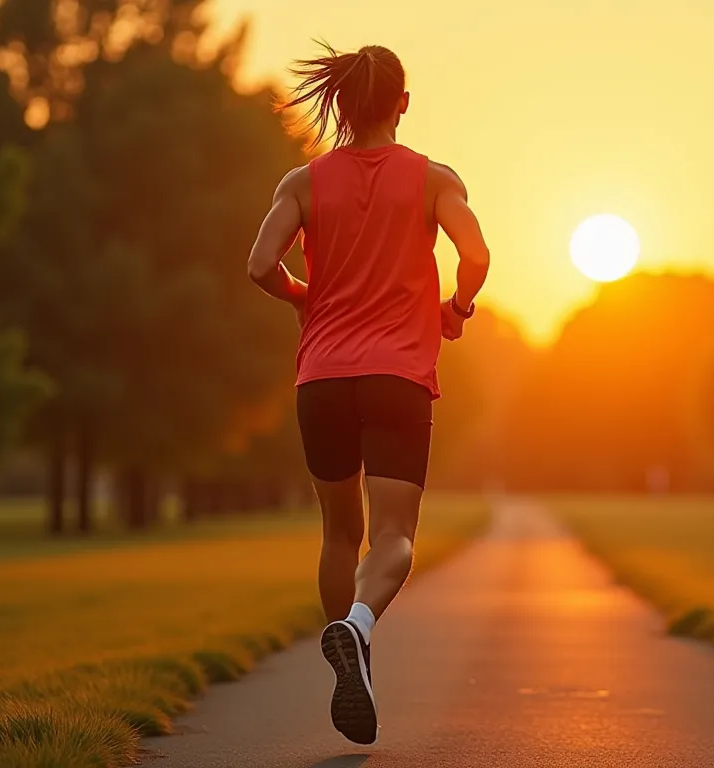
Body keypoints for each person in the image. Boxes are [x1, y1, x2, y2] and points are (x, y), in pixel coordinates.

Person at [245, 43, 490, 745]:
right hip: (397, 378)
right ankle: (357, 626)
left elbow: (260, 263)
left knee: (339, 534)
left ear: (342, 106)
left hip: (321, 379)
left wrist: (301, 298)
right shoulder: (433, 179)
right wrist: (458, 308)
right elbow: (475, 255)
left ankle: (353, 658)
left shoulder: (302, 181)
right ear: (403, 104)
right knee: (394, 536)